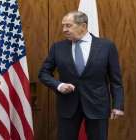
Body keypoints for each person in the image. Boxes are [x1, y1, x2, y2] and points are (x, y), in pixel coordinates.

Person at [38, 11, 124, 140]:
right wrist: (59, 85)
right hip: (68, 106)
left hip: (97, 105)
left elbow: (115, 80)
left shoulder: (106, 46)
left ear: (83, 26)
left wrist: (118, 105)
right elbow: (43, 73)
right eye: (63, 26)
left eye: (68, 25)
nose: (64, 30)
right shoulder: (58, 48)